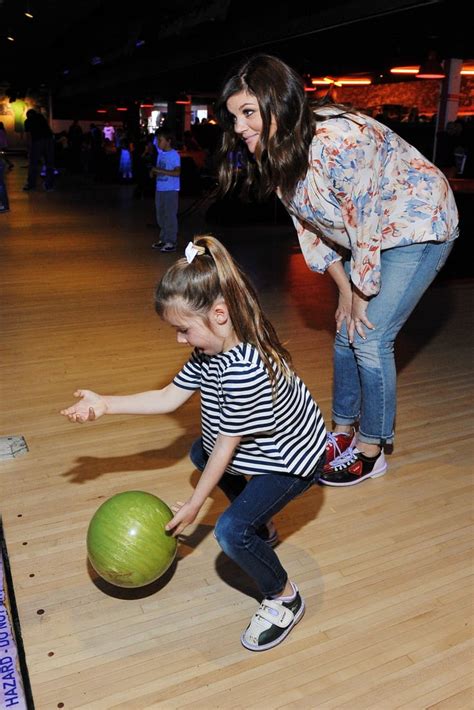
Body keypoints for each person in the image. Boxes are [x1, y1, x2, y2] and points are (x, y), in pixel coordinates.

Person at [60, 235, 327, 651]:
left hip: (295, 460)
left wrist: (197, 504)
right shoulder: (210, 352)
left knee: (230, 530)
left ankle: (284, 597)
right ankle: (262, 524)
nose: (180, 340)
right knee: (198, 450)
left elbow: (228, 445)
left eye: (183, 330)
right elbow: (168, 397)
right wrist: (105, 404)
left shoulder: (245, 370)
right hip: (265, 449)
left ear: (219, 314)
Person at [215, 54, 459, 487]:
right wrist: (345, 292)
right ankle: (342, 431)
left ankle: (372, 448)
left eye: (248, 113)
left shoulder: (337, 141)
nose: (238, 128)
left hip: (419, 222)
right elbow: (309, 229)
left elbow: (365, 223)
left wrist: (360, 293)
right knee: (346, 327)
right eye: (234, 117)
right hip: (368, 232)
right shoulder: (277, 151)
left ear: (279, 103)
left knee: (369, 336)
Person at [151, 128, 181, 252]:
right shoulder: (161, 154)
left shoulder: (174, 155)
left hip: (171, 190)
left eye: (160, 140)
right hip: (160, 189)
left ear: (168, 141)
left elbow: (177, 172)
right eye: (157, 140)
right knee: (161, 215)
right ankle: (163, 239)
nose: (158, 143)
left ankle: (171, 241)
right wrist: (153, 172)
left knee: (170, 215)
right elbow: (159, 168)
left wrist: (159, 171)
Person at [23, 108, 55, 191]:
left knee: (33, 164)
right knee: (49, 164)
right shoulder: (41, 117)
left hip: (37, 141)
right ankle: (49, 185)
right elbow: (48, 128)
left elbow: (28, 136)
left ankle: (31, 185)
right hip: (49, 140)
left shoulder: (27, 121)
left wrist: (29, 148)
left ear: (27, 115)